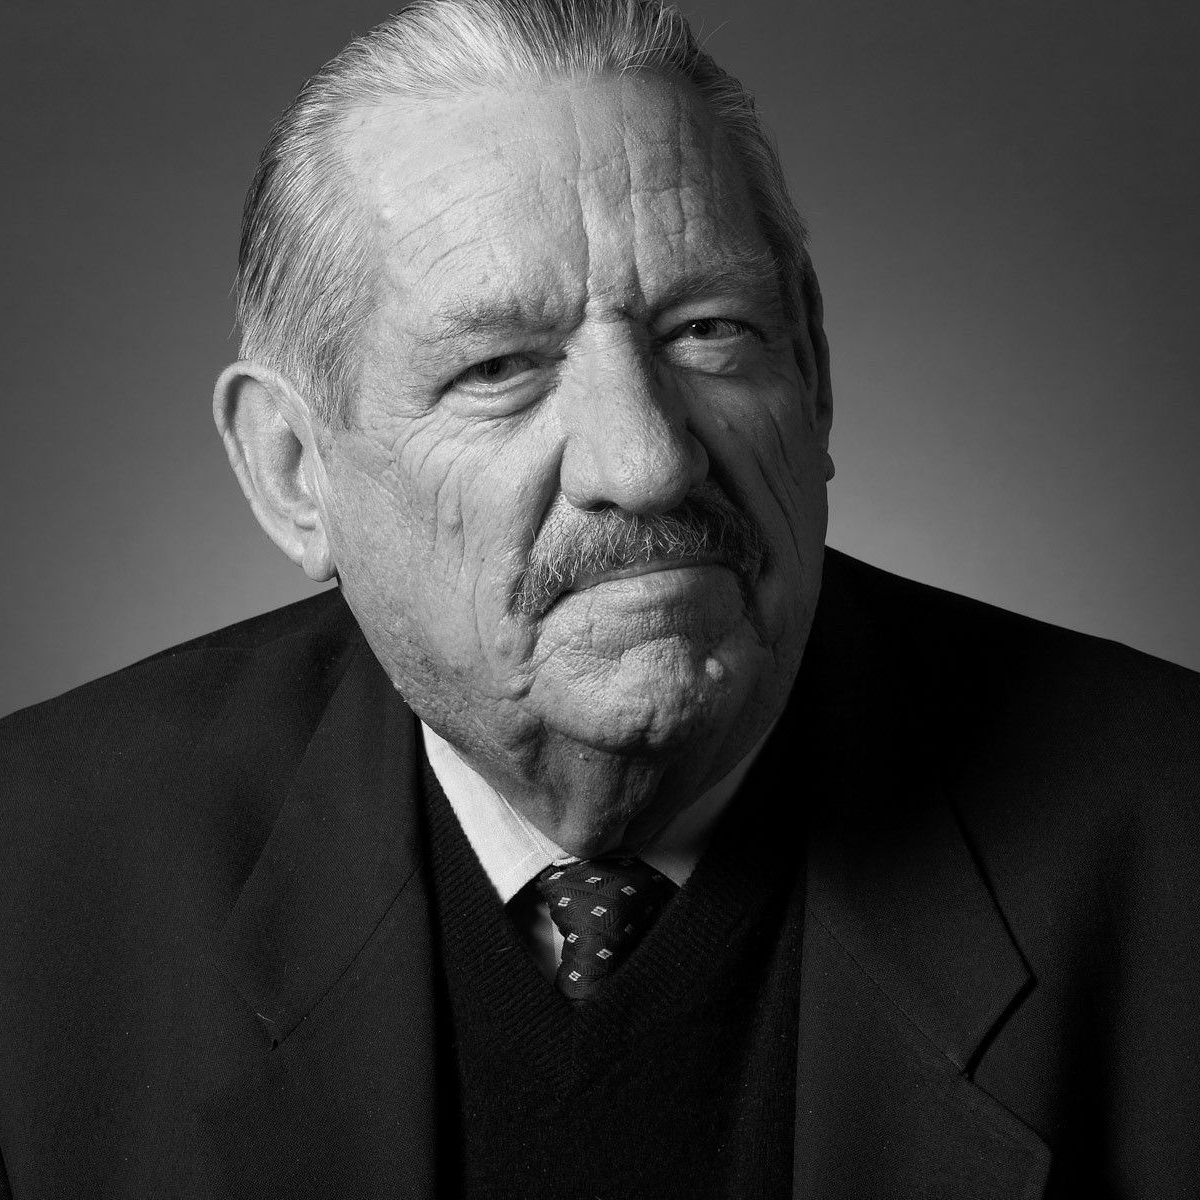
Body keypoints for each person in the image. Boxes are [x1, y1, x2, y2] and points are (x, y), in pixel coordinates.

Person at [0, 0, 1196, 1196]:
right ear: (295, 474)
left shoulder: (1170, 835)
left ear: (814, 377)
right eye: (500, 369)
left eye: (709, 330)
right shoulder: (35, 877)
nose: (646, 463)